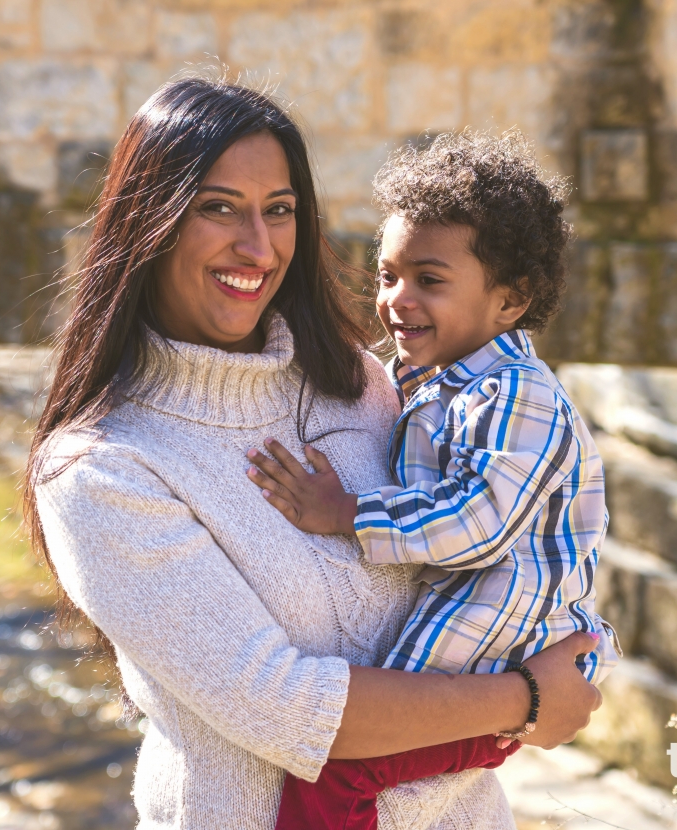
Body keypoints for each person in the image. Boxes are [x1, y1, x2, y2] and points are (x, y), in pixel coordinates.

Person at [24, 78, 602, 830]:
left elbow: (493, 537)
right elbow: (292, 709)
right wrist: (526, 700)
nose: (258, 248)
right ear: (151, 222)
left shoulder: (362, 384)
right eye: (219, 207)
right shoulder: (102, 470)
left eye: (280, 211)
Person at [246, 131, 620, 830]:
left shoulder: (517, 396)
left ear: (510, 302)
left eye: (430, 280)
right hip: (467, 659)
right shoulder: (428, 385)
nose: (397, 300)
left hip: (496, 659)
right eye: (387, 275)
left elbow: (477, 522)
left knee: (338, 772)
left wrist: (347, 513)